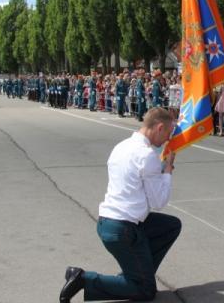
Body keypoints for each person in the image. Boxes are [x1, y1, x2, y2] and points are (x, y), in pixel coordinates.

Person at [59, 107, 181, 302]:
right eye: (168, 132)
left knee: (171, 225)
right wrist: (167, 170)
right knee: (145, 292)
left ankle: (140, 275)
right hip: (123, 229)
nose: (168, 139)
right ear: (159, 127)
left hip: (111, 221)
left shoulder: (122, 146)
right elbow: (159, 201)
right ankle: (83, 278)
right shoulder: (146, 154)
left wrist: (160, 168)